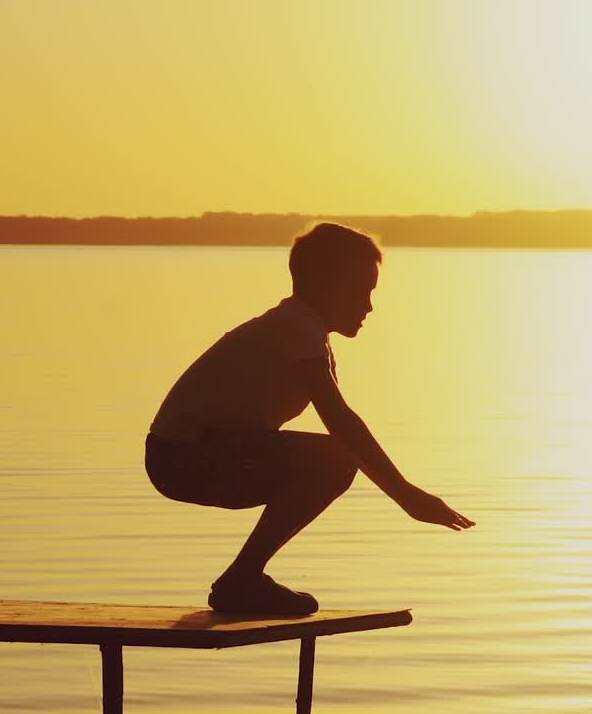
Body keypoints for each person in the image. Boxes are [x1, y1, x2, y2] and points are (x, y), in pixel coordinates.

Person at [145, 221, 473, 616]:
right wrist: (404, 494)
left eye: (371, 292)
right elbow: (339, 419)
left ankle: (243, 577)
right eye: (359, 291)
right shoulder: (296, 326)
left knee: (334, 458)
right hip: (183, 457)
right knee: (334, 458)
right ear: (320, 285)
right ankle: (242, 578)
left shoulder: (307, 333)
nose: (368, 306)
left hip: (197, 453)